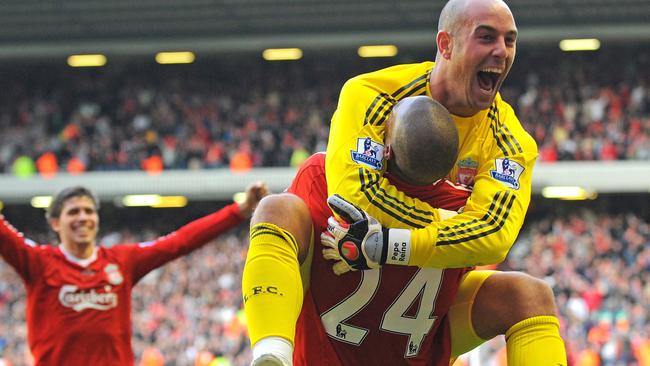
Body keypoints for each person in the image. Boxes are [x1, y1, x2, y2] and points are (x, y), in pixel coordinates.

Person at [244, 0, 567, 364]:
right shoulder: (371, 94)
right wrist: (451, 223)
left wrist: (391, 244)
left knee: (530, 296)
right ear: (446, 44)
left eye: (510, 40)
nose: (501, 51)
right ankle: (271, 356)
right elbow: (353, 196)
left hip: (420, 322)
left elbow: (494, 236)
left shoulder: (511, 142)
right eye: (486, 37)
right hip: (331, 303)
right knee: (278, 208)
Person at [244, 95, 471, 365]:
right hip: (409, 350)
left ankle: (273, 351)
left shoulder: (324, 173)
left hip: (325, 354)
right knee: (521, 296)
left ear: (386, 149)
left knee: (275, 209)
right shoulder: (467, 212)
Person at [0, 181, 268, 365]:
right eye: (73, 212)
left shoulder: (122, 260)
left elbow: (179, 241)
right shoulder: (38, 263)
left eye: (89, 211)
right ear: (56, 223)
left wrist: (238, 211)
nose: (83, 217)